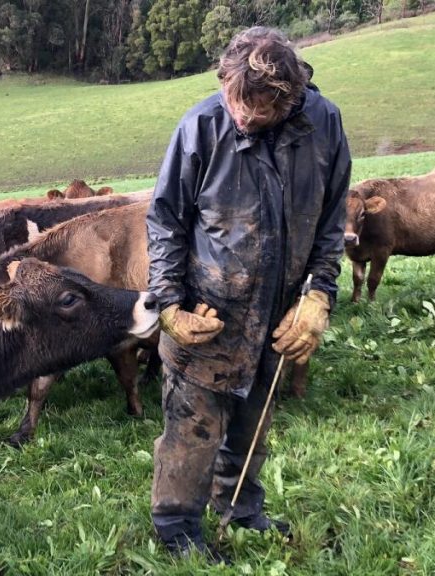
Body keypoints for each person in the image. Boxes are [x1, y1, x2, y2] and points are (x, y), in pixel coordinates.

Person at [146, 26, 351, 561]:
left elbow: (331, 219)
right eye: (233, 100)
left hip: (281, 308)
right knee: (192, 426)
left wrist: (320, 295)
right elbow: (166, 219)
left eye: (256, 107)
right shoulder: (201, 127)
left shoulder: (323, 124)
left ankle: (239, 506)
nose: (242, 116)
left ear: (287, 99)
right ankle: (175, 527)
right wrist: (169, 305)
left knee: (255, 417)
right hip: (208, 308)